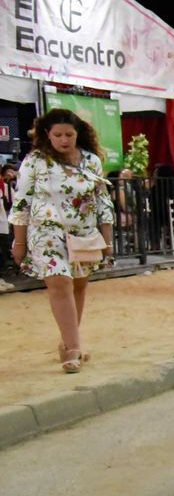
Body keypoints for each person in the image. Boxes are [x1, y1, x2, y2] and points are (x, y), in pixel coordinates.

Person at [9, 109, 115, 373]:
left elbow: (102, 202)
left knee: (78, 287)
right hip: (45, 231)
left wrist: (108, 240)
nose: (63, 139)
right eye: (57, 135)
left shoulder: (91, 161)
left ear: (78, 134)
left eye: (69, 134)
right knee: (60, 283)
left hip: (83, 233)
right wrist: (19, 242)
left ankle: (69, 340)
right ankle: (73, 349)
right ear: (47, 134)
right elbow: (21, 202)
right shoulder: (35, 161)